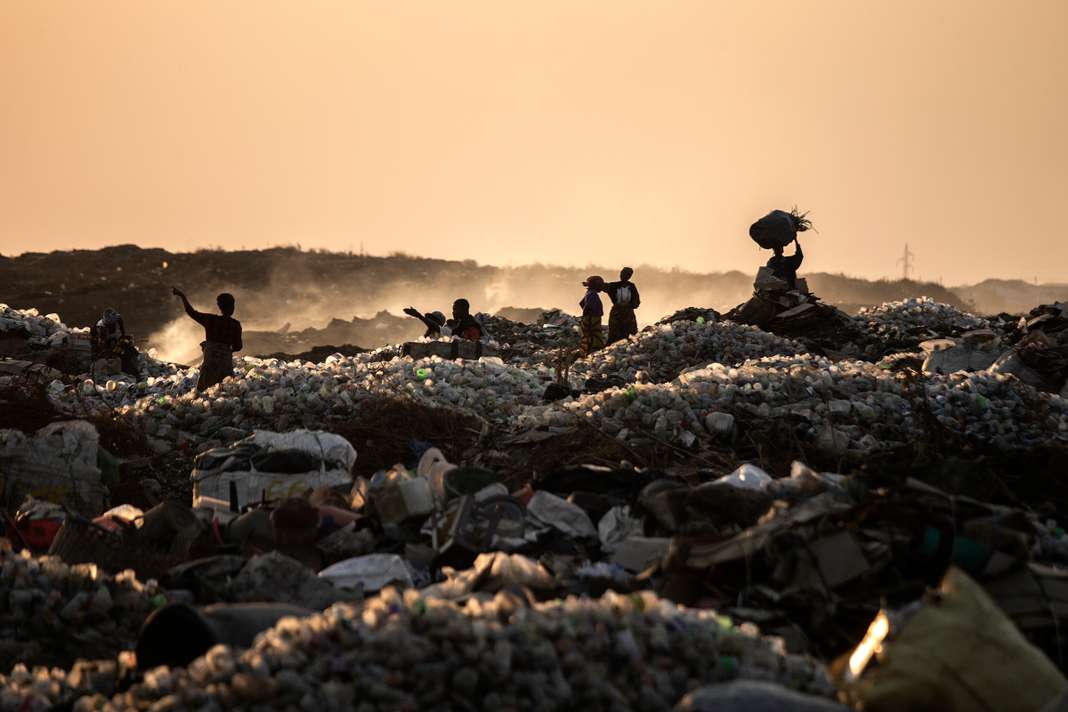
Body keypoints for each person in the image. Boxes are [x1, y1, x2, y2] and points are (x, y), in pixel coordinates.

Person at [172, 288, 243, 391]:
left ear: (220, 307)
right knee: (225, 390)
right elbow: (239, 346)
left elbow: (191, 312)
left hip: (210, 362)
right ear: (232, 307)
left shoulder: (211, 320)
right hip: (225, 363)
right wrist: (227, 349)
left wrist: (182, 296)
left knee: (204, 390)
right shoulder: (235, 325)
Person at [91, 308, 140, 377]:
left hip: (116, 342)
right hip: (105, 347)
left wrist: (123, 339)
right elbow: (100, 344)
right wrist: (111, 350)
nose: (112, 325)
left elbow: (122, 332)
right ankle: (131, 373)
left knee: (130, 350)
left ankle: (137, 365)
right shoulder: (100, 327)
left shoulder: (118, 319)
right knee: (120, 359)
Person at [604, 267, 641, 344]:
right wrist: (591, 283)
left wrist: (630, 305)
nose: (622, 275)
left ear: (629, 276)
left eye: (625, 274)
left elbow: (636, 301)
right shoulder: (614, 286)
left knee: (630, 335)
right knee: (614, 335)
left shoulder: (632, 286)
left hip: (628, 315)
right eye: (621, 273)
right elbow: (603, 286)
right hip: (616, 314)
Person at [579, 276, 606, 355]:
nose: (602, 287)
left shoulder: (589, 293)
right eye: (600, 285)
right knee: (595, 337)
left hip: (590, 319)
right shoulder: (593, 294)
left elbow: (582, 303)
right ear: (595, 285)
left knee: (588, 337)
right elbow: (588, 306)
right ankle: (592, 354)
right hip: (593, 320)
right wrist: (589, 317)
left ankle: (586, 353)